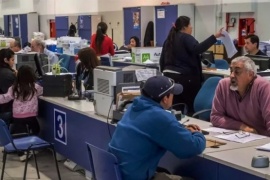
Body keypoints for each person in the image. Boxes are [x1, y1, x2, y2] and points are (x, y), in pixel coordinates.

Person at [109, 75, 206, 180]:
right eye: (172, 93)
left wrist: (180, 128)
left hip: (117, 173)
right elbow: (192, 147)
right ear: (165, 99)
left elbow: (154, 127)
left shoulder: (133, 107)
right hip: (135, 176)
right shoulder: (160, 117)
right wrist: (198, 134)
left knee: (164, 172)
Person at [159, 16, 224, 114]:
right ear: (184, 27)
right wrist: (214, 37)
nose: (191, 27)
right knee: (189, 107)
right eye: (190, 25)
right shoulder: (186, 37)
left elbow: (162, 61)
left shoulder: (168, 39)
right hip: (185, 79)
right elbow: (198, 49)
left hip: (169, 77)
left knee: (176, 108)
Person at [211, 56, 270, 136]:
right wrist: (242, 126)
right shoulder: (223, 85)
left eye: (237, 72)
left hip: (261, 138)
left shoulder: (263, 87)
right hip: (238, 136)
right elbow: (215, 117)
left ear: (250, 74)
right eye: (231, 71)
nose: (232, 75)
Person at [0, 65, 43, 161]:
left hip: (18, 116)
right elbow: (42, 93)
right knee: (36, 129)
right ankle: (32, 147)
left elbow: (6, 97)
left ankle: (21, 152)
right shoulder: (35, 87)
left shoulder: (14, 87)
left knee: (19, 134)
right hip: (31, 115)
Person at [0, 48, 16, 125]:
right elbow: (14, 94)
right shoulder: (8, 74)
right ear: (6, 60)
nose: (14, 63)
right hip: (6, 110)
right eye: (12, 60)